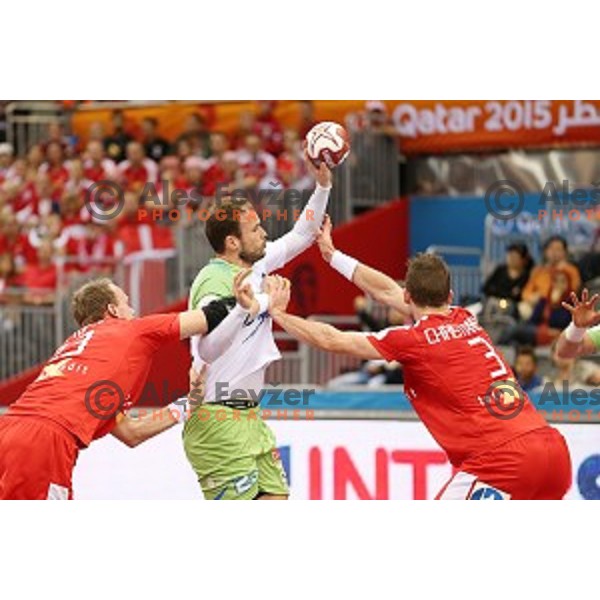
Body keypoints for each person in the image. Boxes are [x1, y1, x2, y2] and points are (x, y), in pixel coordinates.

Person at [265, 219, 572, 500]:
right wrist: (333, 255)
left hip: (503, 462)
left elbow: (333, 339)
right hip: (553, 451)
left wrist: (278, 314)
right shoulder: (465, 317)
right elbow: (386, 290)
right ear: (450, 295)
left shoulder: (412, 340)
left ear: (409, 297)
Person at [0, 271, 266, 500]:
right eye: (127, 303)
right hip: (42, 442)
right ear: (113, 311)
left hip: (9, 429)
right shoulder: (132, 330)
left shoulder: (74, 349)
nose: (134, 311)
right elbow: (211, 315)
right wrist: (258, 298)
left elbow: (132, 432)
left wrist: (189, 402)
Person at [183, 153, 332, 500]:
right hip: (217, 420)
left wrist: (322, 185)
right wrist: (260, 306)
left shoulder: (257, 265)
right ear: (232, 242)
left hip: (249, 417)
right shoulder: (214, 280)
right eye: (254, 229)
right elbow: (206, 348)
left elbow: (303, 233)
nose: (264, 232)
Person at [521, 236, 581, 319]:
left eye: (558, 249)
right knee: (523, 308)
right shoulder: (539, 270)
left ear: (565, 252)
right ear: (545, 252)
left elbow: (572, 293)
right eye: (551, 249)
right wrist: (531, 298)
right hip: (537, 305)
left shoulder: (571, 270)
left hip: (560, 307)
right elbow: (526, 292)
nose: (554, 252)